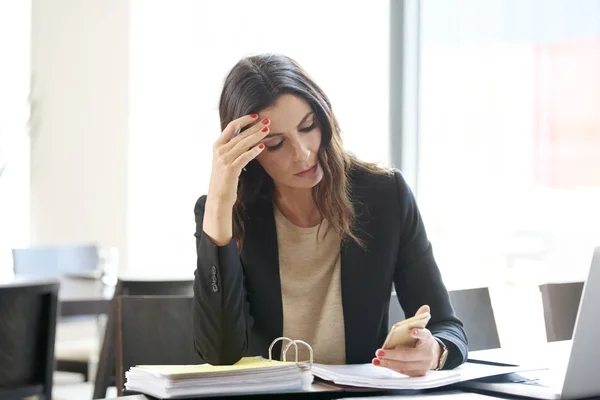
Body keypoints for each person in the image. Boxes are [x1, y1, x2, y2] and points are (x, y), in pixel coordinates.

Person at [193, 53, 468, 377]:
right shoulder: (225, 213)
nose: (303, 153)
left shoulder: (385, 196)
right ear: (247, 152)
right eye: (276, 143)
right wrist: (221, 201)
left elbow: (448, 328)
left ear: (326, 118)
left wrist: (434, 351)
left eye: (308, 126)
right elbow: (219, 352)